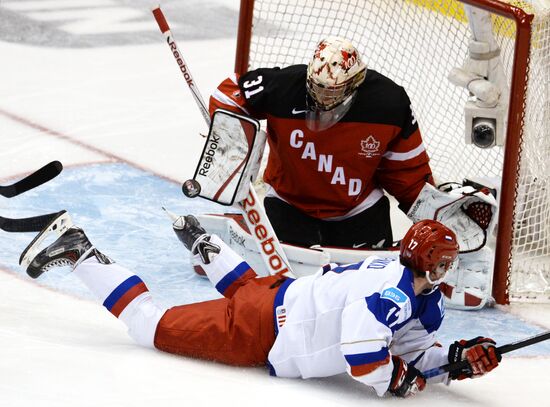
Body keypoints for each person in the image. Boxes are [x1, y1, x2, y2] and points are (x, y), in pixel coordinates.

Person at [22, 212, 501, 398]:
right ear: (436, 265)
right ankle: (78, 249)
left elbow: (413, 349)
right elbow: (362, 347)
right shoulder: (395, 296)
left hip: (276, 293)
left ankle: (203, 243)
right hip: (265, 330)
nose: (449, 271)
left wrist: (453, 361)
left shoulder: (407, 285)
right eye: (447, 263)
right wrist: (393, 378)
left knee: (245, 288)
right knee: (150, 326)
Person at [209, 36, 434, 248]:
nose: (323, 98)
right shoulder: (284, 86)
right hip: (288, 204)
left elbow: (408, 174)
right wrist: (234, 145)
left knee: (366, 286)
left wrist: (432, 218)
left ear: (356, 81)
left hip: (359, 211)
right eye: (318, 88)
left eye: (334, 91)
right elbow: (226, 95)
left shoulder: (388, 104)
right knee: (284, 284)